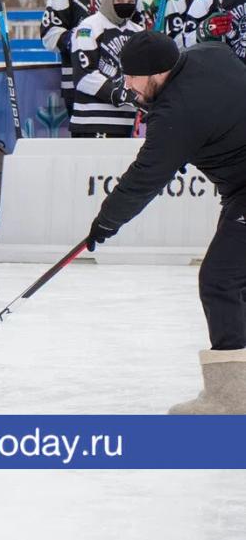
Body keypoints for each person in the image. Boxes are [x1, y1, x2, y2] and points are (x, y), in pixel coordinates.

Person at [87, 31, 246, 414]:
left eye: (131, 78)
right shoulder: (210, 54)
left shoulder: (178, 112)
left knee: (220, 280)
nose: (126, 86)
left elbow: (144, 178)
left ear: (157, 73)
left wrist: (105, 223)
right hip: (240, 188)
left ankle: (232, 397)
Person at [68, 0, 143, 137]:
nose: (126, 5)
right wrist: (120, 93)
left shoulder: (138, 32)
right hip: (92, 122)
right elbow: (83, 77)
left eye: (131, 1)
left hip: (127, 123)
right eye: (120, 1)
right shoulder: (89, 28)